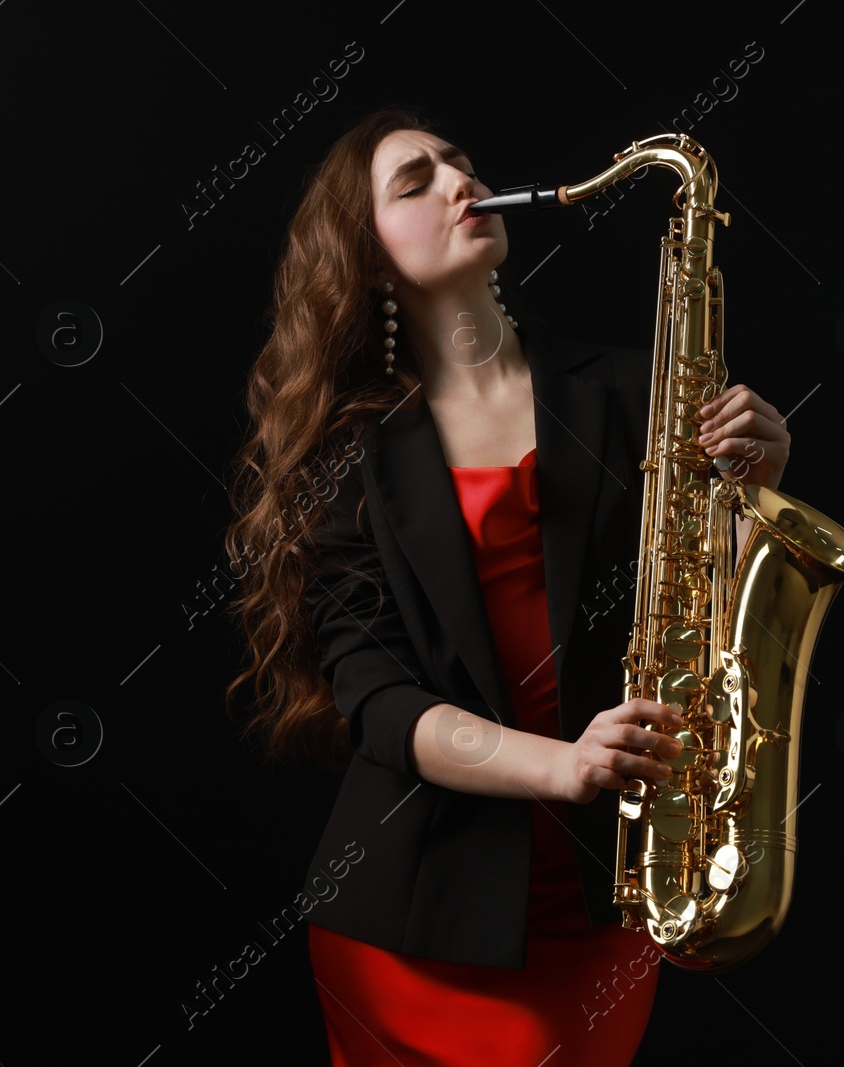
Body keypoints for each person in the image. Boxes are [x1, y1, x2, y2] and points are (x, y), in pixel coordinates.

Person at [224, 106, 792, 1066]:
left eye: (461, 162)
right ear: (367, 262)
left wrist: (757, 489)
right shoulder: (346, 461)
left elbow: (704, 615)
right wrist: (563, 764)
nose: (459, 181)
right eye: (415, 182)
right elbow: (380, 704)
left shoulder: (631, 390)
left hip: (603, 894)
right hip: (411, 924)